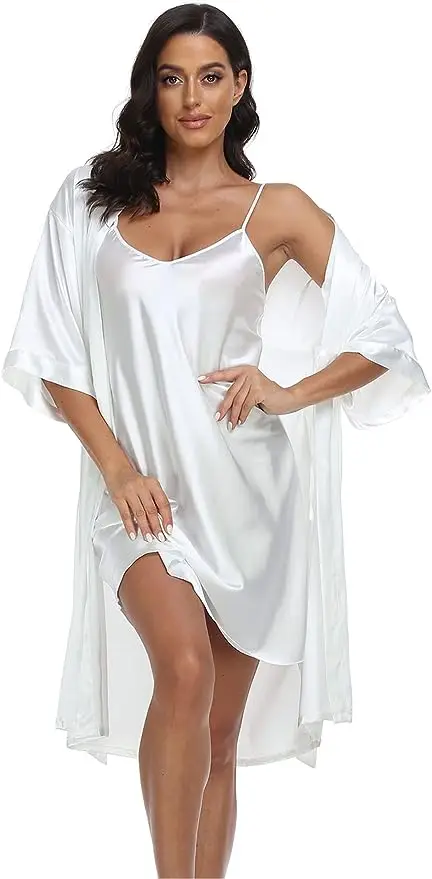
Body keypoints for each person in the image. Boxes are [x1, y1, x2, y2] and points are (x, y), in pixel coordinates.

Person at [2, 4, 430, 878]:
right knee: (185, 672)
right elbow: (51, 353)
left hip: (249, 498)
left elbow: (386, 336)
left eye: (209, 77)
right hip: (141, 494)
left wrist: (289, 391)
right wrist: (117, 470)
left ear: (240, 86)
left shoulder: (277, 209)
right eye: (171, 78)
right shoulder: (91, 198)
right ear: (150, 90)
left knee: (221, 733)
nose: (191, 98)